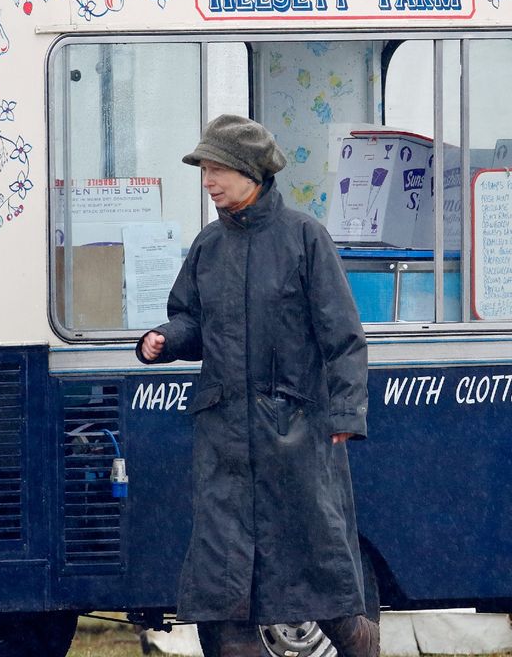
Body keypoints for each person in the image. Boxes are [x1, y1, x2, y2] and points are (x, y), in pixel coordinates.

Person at [136, 114, 379, 657]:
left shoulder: (304, 238)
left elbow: (343, 337)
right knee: (222, 586)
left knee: (323, 573)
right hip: (223, 440)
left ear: (253, 173)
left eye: (218, 169)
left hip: (297, 438)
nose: (208, 181)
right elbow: (191, 320)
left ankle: (363, 646)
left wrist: (345, 416)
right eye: (204, 170)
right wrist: (164, 339)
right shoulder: (208, 246)